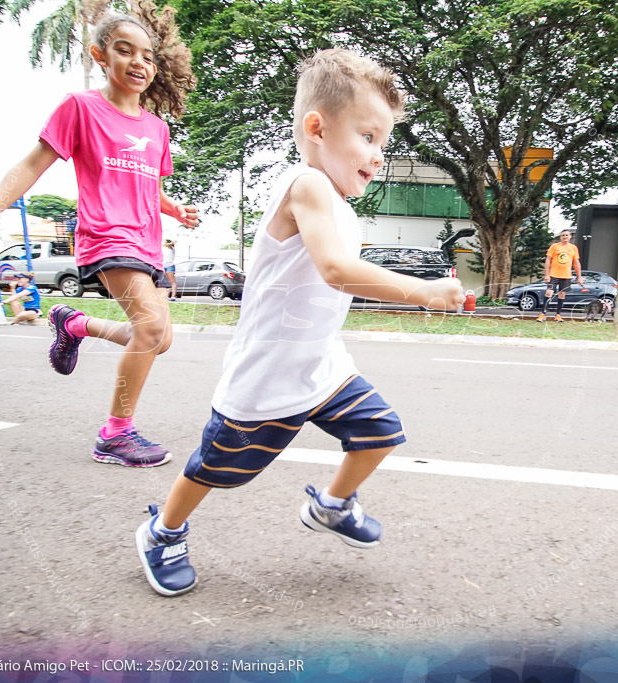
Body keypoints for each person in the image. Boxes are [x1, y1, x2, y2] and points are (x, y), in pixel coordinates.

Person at [133, 48, 466, 597]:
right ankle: (162, 531)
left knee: (380, 431)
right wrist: (423, 292)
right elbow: (336, 270)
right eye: (367, 136)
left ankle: (333, 505)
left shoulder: (341, 205)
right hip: (267, 377)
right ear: (317, 127)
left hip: (322, 368)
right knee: (219, 469)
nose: (378, 155)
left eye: (383, 141)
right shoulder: (305, 186)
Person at [0, 7, 198, 468]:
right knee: (148, 329)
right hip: (107, 237)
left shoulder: (156, 128)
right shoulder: (81, 108)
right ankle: (115, 434)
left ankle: (74, 324)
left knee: (158, 338)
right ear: (100, 55)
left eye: (147, 55)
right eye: (125, 51)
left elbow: (148, 184)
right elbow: (32, 163)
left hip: (147, 241)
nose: (139, 63)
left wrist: (174, 208)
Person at [536, 229, 583, 322]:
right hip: (553, 275)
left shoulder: (573, 248)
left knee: (562, 295)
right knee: (549, 293)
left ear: (570, 236)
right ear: (560, 237)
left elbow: (576, 263)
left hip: (566, 276)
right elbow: (548, 260)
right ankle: (543, 314)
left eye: (566, 235)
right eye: (563, 235)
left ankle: (558, 315)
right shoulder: (554, 246)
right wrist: (547, 274)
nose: (564, 237)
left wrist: (579, 277)